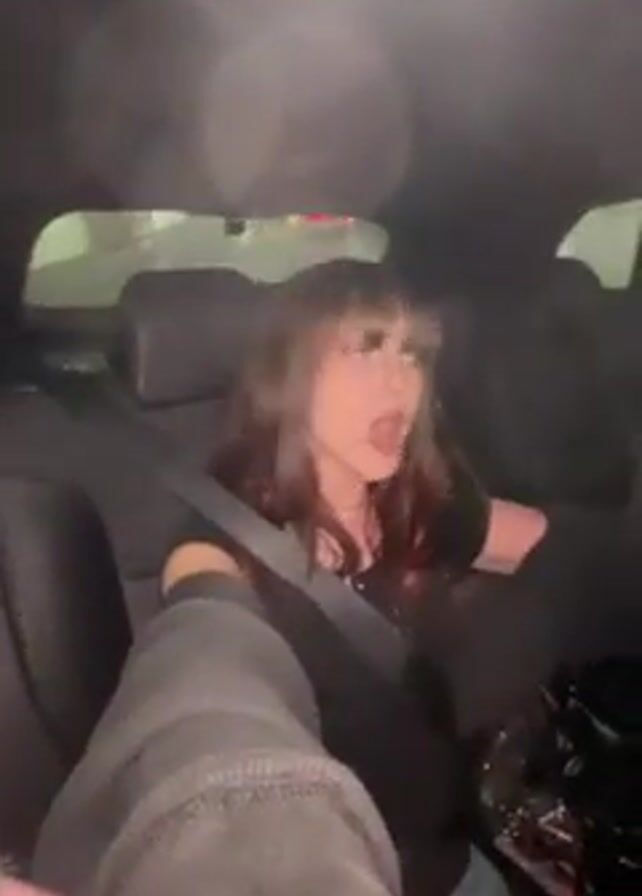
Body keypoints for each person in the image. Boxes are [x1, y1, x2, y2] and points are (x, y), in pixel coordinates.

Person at [161, 258, 637, 895]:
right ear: (290, 374)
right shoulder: (223, 548)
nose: (398, 383)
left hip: (450, 854)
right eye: (364, 349)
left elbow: (567, 550)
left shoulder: (413, 505)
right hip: (332, 866)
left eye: (411, 354)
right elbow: (195, 685)